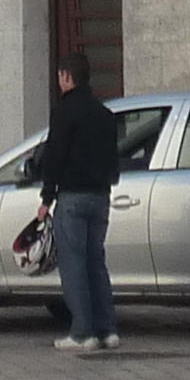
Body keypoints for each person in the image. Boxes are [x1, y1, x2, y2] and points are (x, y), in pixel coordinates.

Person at [33, 51, 122, 354]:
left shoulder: (65, 111)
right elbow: (114, 158)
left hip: (71, 197)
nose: (59, 82)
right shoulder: (104, 114)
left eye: (60, 76)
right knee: (96, 262)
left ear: (67, 77)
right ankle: (107, 329)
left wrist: (47, 197)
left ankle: (83, 332)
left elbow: (54, 156)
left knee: (73, 265)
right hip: (101, 197)